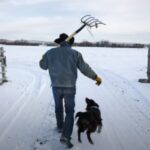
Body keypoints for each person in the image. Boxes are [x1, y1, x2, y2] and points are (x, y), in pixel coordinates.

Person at [39, 33, 102, 148]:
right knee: (69, 111)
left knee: (58, 107)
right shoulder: (75, 53)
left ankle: (60, 127)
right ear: (70, 42)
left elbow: (43, 66)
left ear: (60, 42)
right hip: (69, 87)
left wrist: (45, 56)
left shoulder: (50, 52)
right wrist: (95, 77)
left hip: (56, 86)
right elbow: (85, 68)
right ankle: (65, 135)